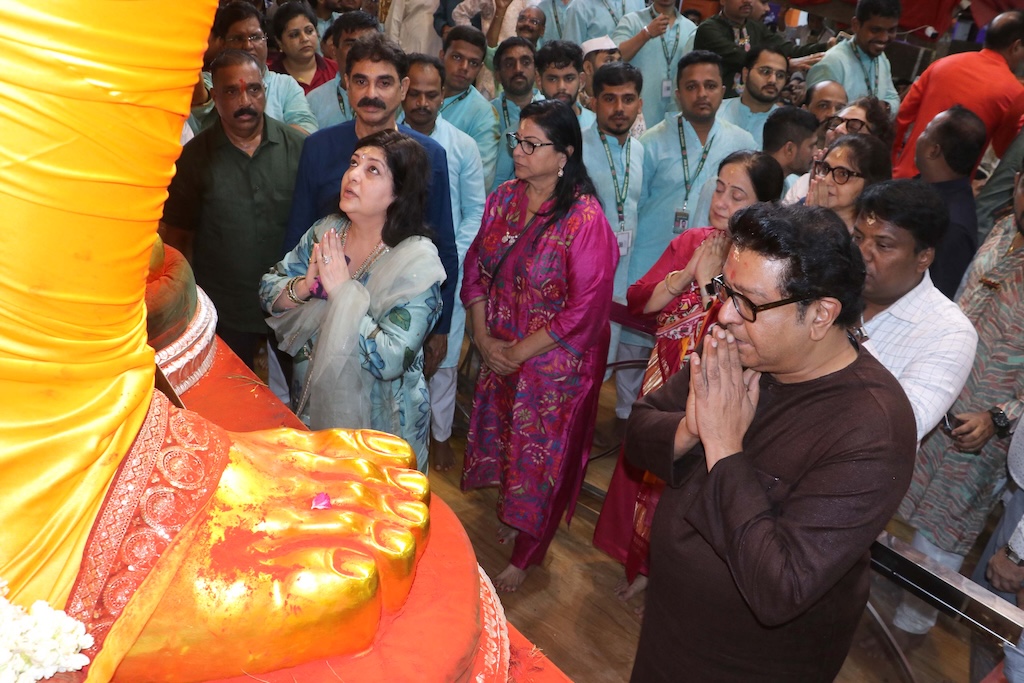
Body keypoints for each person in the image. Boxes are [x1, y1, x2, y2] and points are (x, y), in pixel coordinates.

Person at [627, 202, 917, 682]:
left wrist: (724, 446)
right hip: (668, 630)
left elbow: (781, 586)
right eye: (725, 289)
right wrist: (691, 430)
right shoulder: (742, 347)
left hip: (749, 663)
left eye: (748, 302)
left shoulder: (872, 428)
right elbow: (639, 433)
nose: (724, 314)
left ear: (820, 314)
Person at [594, 151, 784, 601]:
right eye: (718, 188)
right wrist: (686, 274)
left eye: (736, 195)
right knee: (648, 469)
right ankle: (638, 563)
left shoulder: (762, 269)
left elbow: (731, 331)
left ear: (763, 206)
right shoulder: (694, 241)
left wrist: (706, 284)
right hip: (662, 382)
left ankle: (663, 574)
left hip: (709, 394)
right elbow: (641, 301)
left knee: (684, 486)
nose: (721, 202)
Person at [460, 100, 618, 593]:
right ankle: (514, 516)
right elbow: (476, 267)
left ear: (564, 155)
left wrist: (516, 353)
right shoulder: (504, 198)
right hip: (501, 348)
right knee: (511, 442)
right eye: (517, 141)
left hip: (555, 367)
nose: (518, 152)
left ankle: (529, 552)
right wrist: (483, 337)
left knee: (544, 458)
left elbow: (584, 311)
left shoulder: (584, 220)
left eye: (532, 145)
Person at [260, 130, 445, 472]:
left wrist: (342, 292)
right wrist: (305, 286)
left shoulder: (418, 263)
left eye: (373, 169)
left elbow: (391, 358)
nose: (354, 175)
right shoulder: (327, 232)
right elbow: (267, 289)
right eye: (354, 163)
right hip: (314, 403)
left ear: (400, 191)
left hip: (382, 425)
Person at [894, 160, 1024, 643]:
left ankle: (911, 628)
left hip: (985, 427)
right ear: (1017, 183)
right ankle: (875, 598)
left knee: (945, 530)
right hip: (937, 390)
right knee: (893, 493)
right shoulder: (1004, 229)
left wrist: (1000, 417)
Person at [284, 34, 459, 376]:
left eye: (384, 83)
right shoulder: (319, 148)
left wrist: (441, 327)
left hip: (396, 321)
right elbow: (297, 233)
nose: (371, 94)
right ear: (346, 83)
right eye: (361, 81)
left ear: (403, 87)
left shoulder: (428, 155)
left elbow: (444, 246)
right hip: (321, 312)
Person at [618, 50, 755, 432]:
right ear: (677, 93)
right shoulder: (651, 141)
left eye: (710, 85)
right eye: (692, 87)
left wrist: (704, 273)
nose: (702, 94)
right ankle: (626, 415)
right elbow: (634, 204)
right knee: (635, 347)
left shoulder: (741, 142)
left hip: (716, 256)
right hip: (655, 251)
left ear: (724, 89)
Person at [161, 49, 307, 371]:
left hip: (292, 305)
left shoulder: (298, 150)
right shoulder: (194, 160)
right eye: (231, 92)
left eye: (253, 89)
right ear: (215, 98)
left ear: (264, 90)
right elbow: (178, 242)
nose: (245, 101)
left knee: (296, 394)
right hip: (224, 311)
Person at [400, 54, 486, 472]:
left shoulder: (462, 145)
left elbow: (475, 210)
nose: (422, 103)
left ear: (443, 96)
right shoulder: (386, 141)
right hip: (395, 264)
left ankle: (440, 436)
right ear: (402, 92)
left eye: (431, 95)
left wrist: (448, 253)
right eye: (414, 93)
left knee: (444, 360)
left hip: (446, 266)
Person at [852, 179, 977, 444]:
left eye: (883, 245)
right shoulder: (830, 287)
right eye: (858, 237)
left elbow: (905, 426)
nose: (862, 253)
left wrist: (850, 324)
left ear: (923, 257)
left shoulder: (949, 332)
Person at [892, 11, 1024, 179]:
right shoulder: (1015, 92)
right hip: (949, 189)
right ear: (1016, 46)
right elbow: (1002, 150)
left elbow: (901, 118)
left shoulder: (942, 64)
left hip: (904, 176)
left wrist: (892, 164)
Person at [581, 62, 645, 367]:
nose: (619, 108)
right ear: (594, 103)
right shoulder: (575, 148)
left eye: (628, 99)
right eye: (610, 99)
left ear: (639, 105)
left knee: (603, 366)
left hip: (620, 275)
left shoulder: (639, 150)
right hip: (579, 277)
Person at [190, 2, 319, 135]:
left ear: (265, 40)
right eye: (237, 39)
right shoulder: (210, 82)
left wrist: (259, 143)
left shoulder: (285, 85)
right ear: (222, 44)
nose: (248, 45)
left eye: (255, 37)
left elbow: (307, 129)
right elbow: (201, 100)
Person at [914, 105, 988, 298]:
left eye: (925, 131)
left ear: (934, 150)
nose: (919, 137)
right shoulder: (922, 185)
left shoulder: (953, 226)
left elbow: (937, 295)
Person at [694, 0, 827, 98]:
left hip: (749, 103)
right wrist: (784, 65)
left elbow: (787, 49)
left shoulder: (755, 27)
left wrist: (826, 46)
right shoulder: (708, 29)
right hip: (714, 103)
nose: (747, 1)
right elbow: (741, 57)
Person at [783, 95, 892, 205]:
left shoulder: (882, 205)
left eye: (853, 127)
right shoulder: (801, 183)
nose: (839, 129)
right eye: (835, 123)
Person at [806, 0, 901, 115]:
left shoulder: (881, 59)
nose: (884, 38)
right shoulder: (831, 64)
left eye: (891, 30)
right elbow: (817, 117)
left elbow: (892, 98)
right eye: (875, 30)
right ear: (856, 25)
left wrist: (885, 107)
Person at [612, 0, 697, 127]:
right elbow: (616, 57)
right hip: (638, 115)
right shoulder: (632, 20)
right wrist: (646, 34)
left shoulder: (691, 28)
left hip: (676, 113)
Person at [438, 26, 501, 189]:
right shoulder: (416, 94)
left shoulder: (484, 114)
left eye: (473, 63)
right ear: (442, 56)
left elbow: (480, 179)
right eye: (457, 57)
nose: (464, 67)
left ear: (480, 68)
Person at [305, 10, 381, 129]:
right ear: (334, 51)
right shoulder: (314, 100)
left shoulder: (392, 97)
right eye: (351, 44)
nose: (360, 51)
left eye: (368, 43)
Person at [806, 133, 892, 231]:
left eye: (843, 174)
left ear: (870, 182)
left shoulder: (879, 233)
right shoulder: (802, 213)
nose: (826, 180)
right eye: (825, 168)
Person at [491, 37, 543, 191]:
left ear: (536, 71)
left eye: (525, 62)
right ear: (497, 75)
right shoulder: (486, 113)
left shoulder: (551, 113)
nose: (518, 69)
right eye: (509, 64)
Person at [716, 46, 787, 146]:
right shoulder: (716, 112)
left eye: (780, 75)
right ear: (745, 74)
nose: (773, 80)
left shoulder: (787, 126)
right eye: (765, 72)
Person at [268, 1, 339, 95]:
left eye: (309, 31)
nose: (304, 39)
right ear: (279, 42)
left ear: (317, 32)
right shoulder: (270, 79)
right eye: (294, 35)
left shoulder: (336, 70)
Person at [535, 40, 597, 130]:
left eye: (569, 79)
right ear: (539, 82)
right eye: (552, 79)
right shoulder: (526, 128)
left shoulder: (597, 125)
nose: (561, 87)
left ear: (581, 81)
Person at [762, 105, 819, 194]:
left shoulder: (788, 186)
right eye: (811, 146)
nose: (816, 152)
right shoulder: (750, 184)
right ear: (789, 149)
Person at [563, 0, 646, 47]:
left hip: (634, 69)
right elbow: (571, 53)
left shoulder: (637, 1)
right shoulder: (578, 6)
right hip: (599, 71)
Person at [578, 36, 622, 113]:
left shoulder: (625, 99)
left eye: (619, 61)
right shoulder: (574, 102)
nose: (617, 66)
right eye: (609, 61)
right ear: (588, 68)